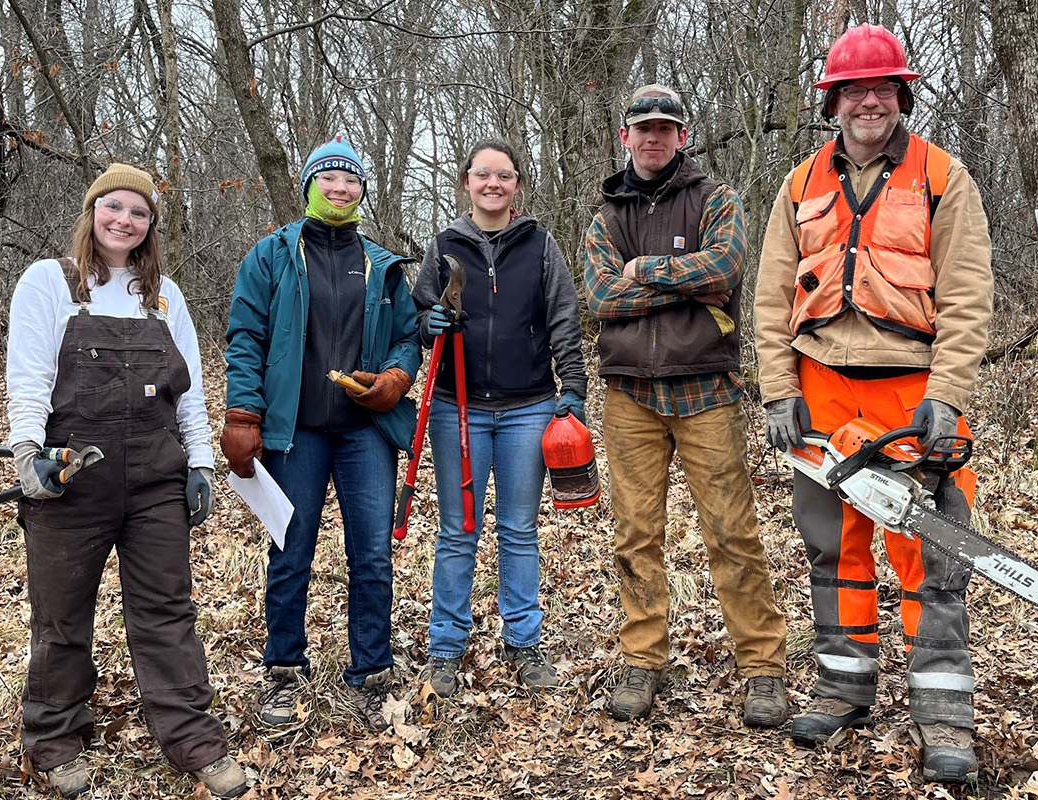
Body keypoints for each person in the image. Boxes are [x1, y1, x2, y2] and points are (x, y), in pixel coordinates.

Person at [751, 24, 994, 783]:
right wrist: (778, 391)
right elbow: (769, 298)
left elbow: (966, 296)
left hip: (910, 387)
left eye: (881, 88)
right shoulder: (800, 183)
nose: (868, 102)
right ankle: (844, 684)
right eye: (854, 90)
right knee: (835, 542)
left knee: (930, 547)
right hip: (820, 384)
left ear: (902, 95)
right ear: (833, 101)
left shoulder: (941, 176)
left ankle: (944, 711)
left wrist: (948, 395)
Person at [4, 163, 248, 798]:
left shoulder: (164, 295)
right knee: (61, 617)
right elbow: (28, 375)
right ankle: (54, 739)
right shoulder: (49, 283)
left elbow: (188, 392)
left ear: (150, 226)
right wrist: (29, 452)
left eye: (138, 212)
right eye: (112, 207)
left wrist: (199, 464)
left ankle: (192, 738)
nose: (124, 220)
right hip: (70, 483)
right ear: (91, 213)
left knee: (166, 611)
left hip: (154, 483)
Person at [581, 85, 789, 727]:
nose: (653, 137)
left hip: (706, 391)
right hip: (629, 398)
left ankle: (762, 667)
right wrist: (673, 281)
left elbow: (724, 270)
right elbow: (600, 299)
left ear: (682, 135)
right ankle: (643, 660)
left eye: (665, 127)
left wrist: (640, 271)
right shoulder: (605, 216)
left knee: (731, 532)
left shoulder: (715, 198)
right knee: (636, 534)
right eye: (642, 127)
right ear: (626, 137)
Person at [222, 134, 421, 732]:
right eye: (328, 178)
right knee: (290, 552)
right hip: (294, 433)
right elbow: (246, 337)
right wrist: (242, 414)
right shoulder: (272, 256)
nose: (340, 188)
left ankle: (371, 671)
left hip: (366, 433)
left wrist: (396, 377)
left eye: (350, 179)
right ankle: (284, 671)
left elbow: (409, 336)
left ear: (363, 188)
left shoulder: (382, 264)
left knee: (373, 554)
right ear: (309, 185)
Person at [411, 141, 588, 697]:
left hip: (527, 407)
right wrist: (430, 322)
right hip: (453, 405)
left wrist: (574, 385)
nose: (493, 183)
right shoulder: (443, 245)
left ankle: (524, 642)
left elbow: (563, 313)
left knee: (518, 529)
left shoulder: (540, 245)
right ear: (466, 181)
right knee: (458, 530)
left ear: (517, 184)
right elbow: (417, 319)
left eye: (504, 175)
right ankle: (445, 647)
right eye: (483, 174)